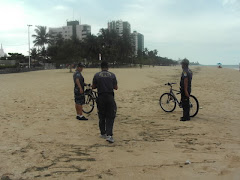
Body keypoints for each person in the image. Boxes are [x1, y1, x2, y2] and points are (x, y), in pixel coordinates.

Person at [92, 61, 118, 143]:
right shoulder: (112, 75)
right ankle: (109, 135)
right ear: (108, 67)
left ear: (101, 67)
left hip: (101, 96)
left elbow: (93, 86)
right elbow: (116, 87)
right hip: (109, 96)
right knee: (110, 116)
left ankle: (103, 132)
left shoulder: (97, 75)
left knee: (101, 115)